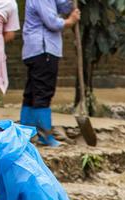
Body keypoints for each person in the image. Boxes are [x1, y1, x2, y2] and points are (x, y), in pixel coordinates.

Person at [21, 0, 81, 146]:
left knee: (31, 92)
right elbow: (52, 22)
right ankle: (45, 136)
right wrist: (70, 21)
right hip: (43, 49)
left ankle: (24, 133)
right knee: (43, 92)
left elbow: (64, 6)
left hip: (36, 50)